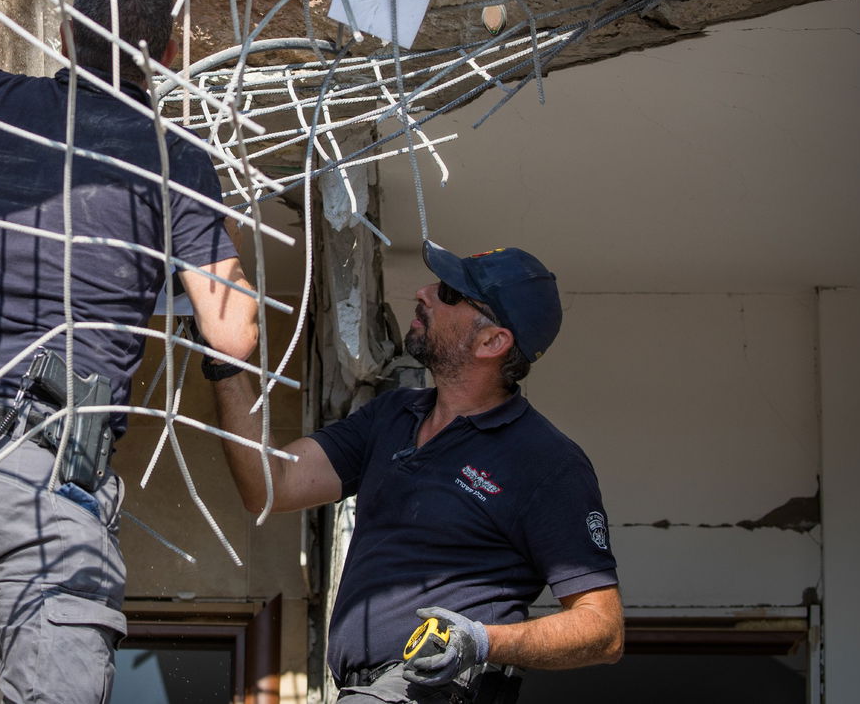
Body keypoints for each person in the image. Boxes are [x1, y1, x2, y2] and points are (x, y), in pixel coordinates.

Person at [0, 0, 259, 703]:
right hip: (39, 470)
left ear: (63, 37)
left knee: (28, 672)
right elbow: (233, 331)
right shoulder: (175, 156)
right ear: (165, 53)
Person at [210, 239, 622, 702]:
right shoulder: (394, 414)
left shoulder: (545, 461)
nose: (424, 292)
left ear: (492, 341)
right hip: (363, 690)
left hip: (438, 690)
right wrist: (225, 360)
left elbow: (603, 629)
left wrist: (482, 641)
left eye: (448, 293)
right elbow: (270, 485)